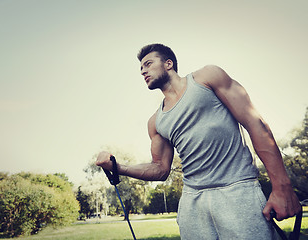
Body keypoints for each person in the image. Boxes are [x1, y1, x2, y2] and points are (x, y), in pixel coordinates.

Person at [96, 43, 301, 239]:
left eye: (148, 64)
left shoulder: (207, 78)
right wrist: (118, 167)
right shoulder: (156, 121)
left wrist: (281, 186)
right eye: (140, 68)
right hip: (193, 202)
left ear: (169, 63)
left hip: (237, 190)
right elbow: (160, 169)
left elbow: (255, 123)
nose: (142, 71)